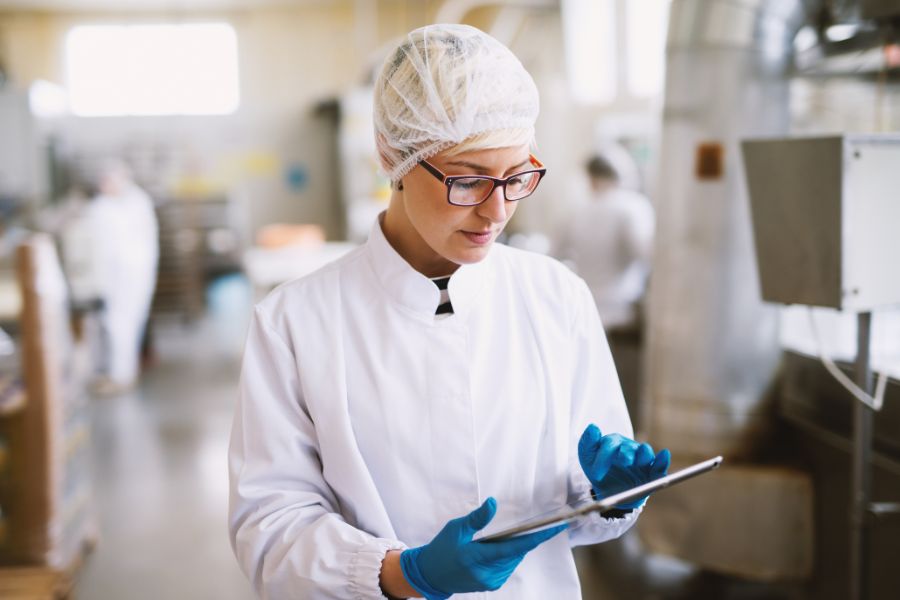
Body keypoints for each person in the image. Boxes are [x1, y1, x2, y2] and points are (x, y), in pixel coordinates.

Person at [229, 24, 670, 599]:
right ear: (392, 156)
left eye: (517, 177)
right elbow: (269, 528)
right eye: (468, 181)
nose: (497, 211)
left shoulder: (555, 296)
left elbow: (581, 511)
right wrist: (401, 574)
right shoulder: (295, 322)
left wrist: (610, 495)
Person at [80, 161, 159, 394]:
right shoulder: (104, 206)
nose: (104, 186)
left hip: (130, 277)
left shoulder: (135, 203)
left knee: (122, 325)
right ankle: (115, 373)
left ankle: (121, 376)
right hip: (114, 278)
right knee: (113, 325)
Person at [557, 154, 655, 332]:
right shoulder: (632, 207)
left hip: (585, 306)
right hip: (623, 310)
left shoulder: (577, 210)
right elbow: (646, 254)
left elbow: (554, 255)